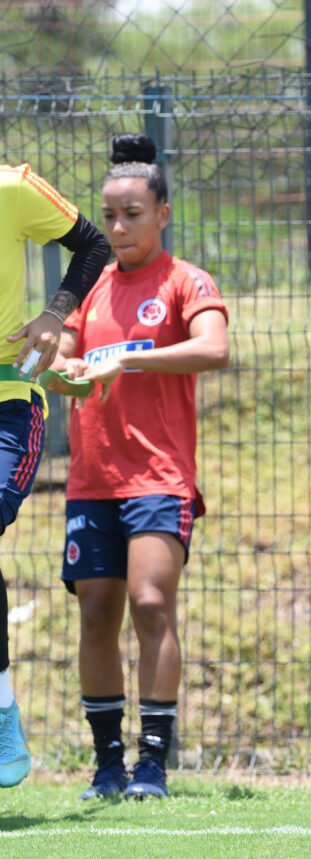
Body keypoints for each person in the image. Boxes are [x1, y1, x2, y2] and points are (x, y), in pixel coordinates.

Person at [46, 133, 229, 800]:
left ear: (162, 214)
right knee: (97, 612)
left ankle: (152, 762)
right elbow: (61, 357)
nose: (118, 228)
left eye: (132, 214)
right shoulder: (91, 287)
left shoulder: (185, 281)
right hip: (92, 479)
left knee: (151, 603)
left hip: (159, 477)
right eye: (109, 216)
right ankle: (106, 764)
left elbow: (213, 348)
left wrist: (129, 357)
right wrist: (62, 366)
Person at [0, 162, 110, 788]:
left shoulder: (12, 188)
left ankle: (2, 711)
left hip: (8, 400)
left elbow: (92, 245)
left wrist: (55, 315)